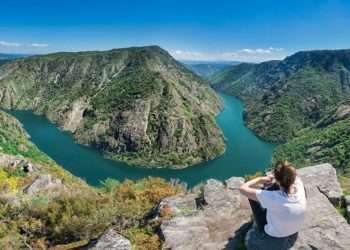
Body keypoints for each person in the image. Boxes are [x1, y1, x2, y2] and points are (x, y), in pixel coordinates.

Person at [239, 161, 306, 250]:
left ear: (277, 179)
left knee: (252, 196)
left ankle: (258, 224)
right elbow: (288, 177)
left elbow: (242, 189)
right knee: (272, 188)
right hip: (295, 229)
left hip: (275, 233)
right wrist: (276, 179)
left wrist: (259, 179)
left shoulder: (273, 198)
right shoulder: (299, 184)